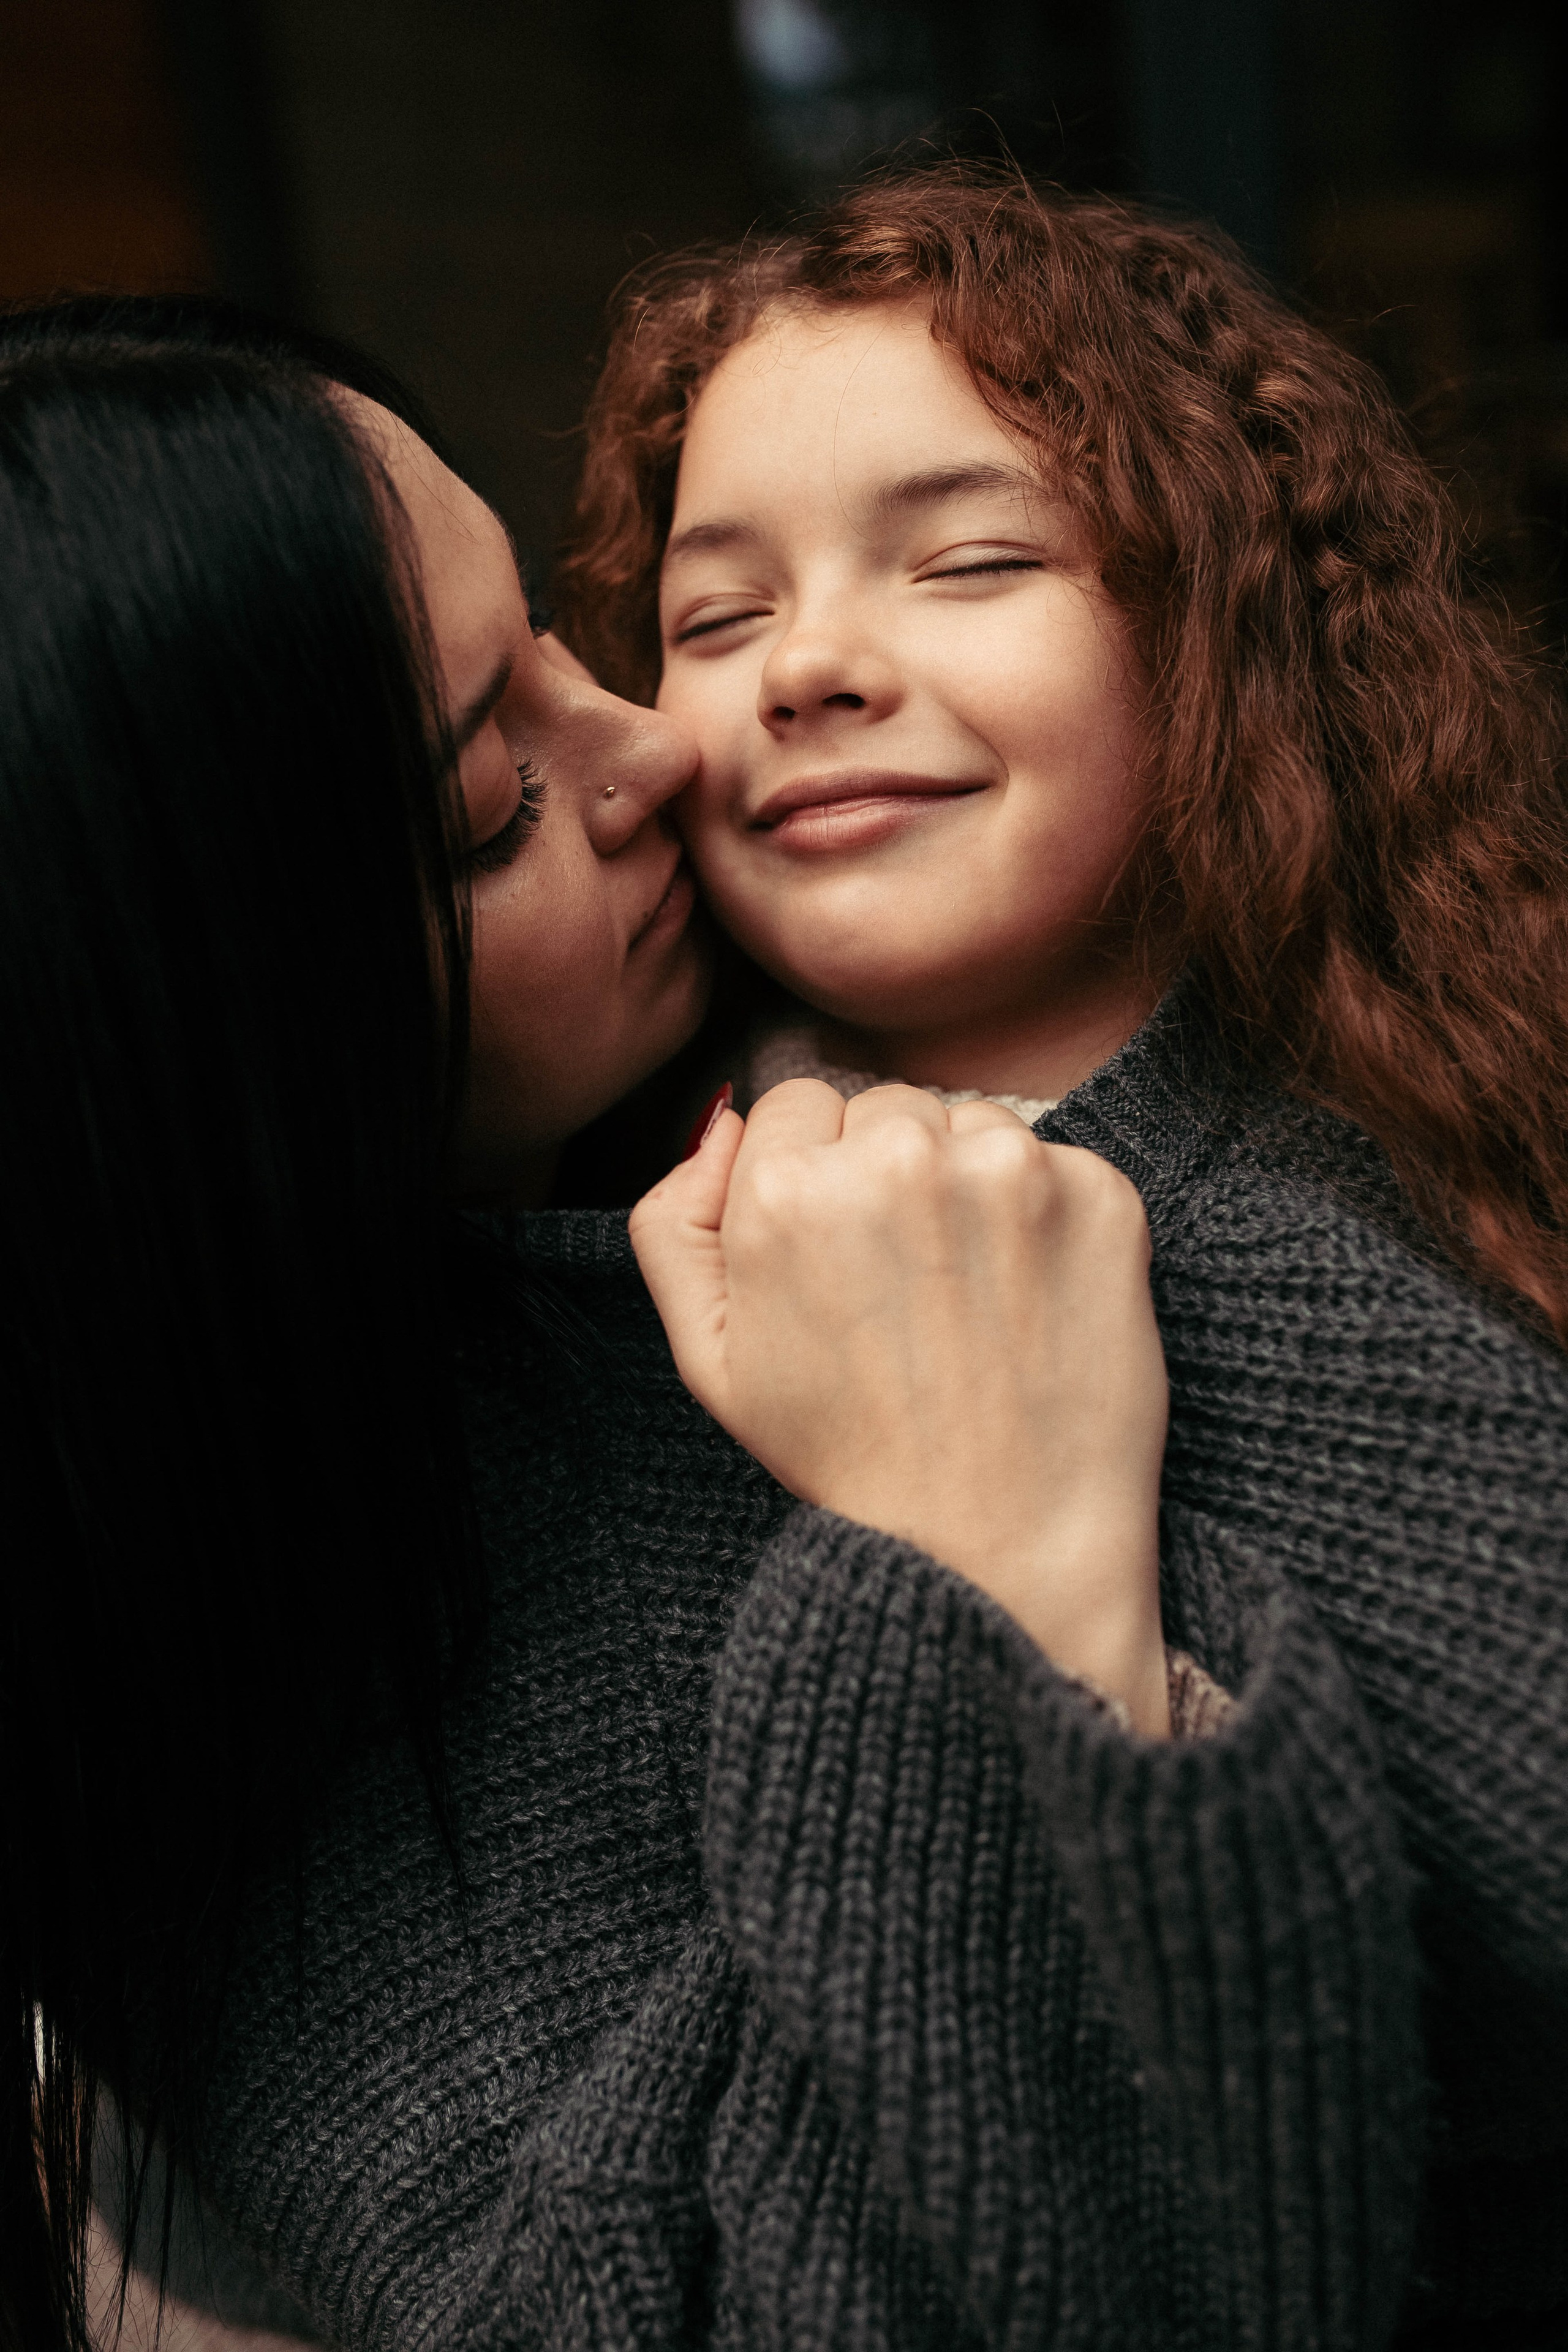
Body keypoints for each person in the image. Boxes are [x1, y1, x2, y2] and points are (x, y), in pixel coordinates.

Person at [2, 295, 1175, 2352]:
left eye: (563, 635)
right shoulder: (268, 1779)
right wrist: (985, 1564)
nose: (654, 743)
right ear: (213, 1054)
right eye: (489, 798)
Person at [553, 165, 1568, 2346]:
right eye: (716, 618)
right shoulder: (561, 1293)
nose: (811, 665)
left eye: (974, 561)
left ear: (1216, 619)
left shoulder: (1472, 1158)